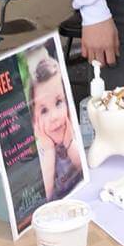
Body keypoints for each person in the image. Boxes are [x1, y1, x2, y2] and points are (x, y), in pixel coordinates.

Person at [29, 54, 82, 200]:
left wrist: (70, 143)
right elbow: (47, 194)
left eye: (59, 102)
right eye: (44, 110)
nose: (54, 116)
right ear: (35, 121)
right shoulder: (41, 150)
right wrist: (49, 150)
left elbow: (84, 170)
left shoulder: (72, 131)